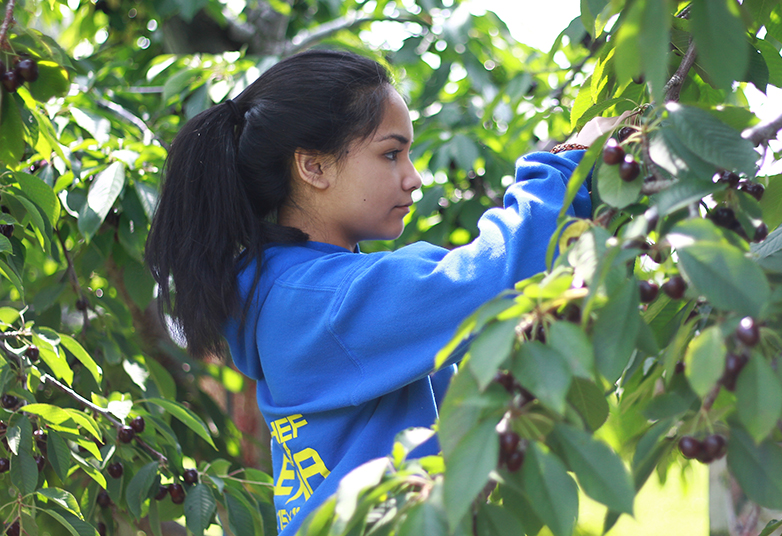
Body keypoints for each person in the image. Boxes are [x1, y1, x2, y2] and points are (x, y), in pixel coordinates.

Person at [144, 49, 616, 535]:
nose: (413, 178)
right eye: (391, 153)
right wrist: (568, 165)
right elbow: (495, 273)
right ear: (314, 168)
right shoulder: (323, 302)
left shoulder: (284, 290)